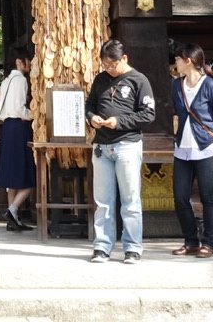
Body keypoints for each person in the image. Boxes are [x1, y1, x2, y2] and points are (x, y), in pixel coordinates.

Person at [85, 39, 156, 264]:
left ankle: (133, 247)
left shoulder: (139, 80)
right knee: (103, 201)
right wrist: (91, 119)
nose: (109, 69)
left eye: (112, 64)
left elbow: (148, 114)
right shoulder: (100, 79)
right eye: (105, 65)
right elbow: (89, 106)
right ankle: (102, 246)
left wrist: (120, 121)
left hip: (127, 144)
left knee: (130, 198)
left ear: (124, 58)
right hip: (102, 146)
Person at [170, 43, 213, 258]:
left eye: (177, 59)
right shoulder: (176, 85)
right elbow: (175, 111)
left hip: (206, 147)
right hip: (182, 148)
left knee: (208, 197)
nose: (175, 63)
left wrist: (208, 126)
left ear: (187, 61)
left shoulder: (210, 85)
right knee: (179, 197)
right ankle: (190, 241)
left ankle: (208, 243)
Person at [0, 45, 36, 231]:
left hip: (7, 127)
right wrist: (34, 114)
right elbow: (19, 109)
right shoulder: (20, 80)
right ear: (20, 62)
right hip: (18, 127)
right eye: (28, 61)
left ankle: (13, 219)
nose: (30, 64)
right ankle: (13, 210)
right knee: (28, 176)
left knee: (12, 176)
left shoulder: (6, 81)